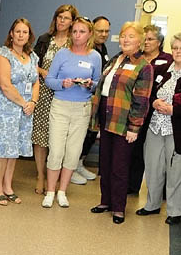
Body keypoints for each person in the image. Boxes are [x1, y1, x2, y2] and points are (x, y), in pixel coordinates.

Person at [136, 32, 181, 224]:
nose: (177, 51)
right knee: (153, 167)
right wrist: (154, 102)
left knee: (177, 171)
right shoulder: (162, 70)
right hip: (155, 127)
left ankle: (175, 211)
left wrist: (174, 110)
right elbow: (148, 93)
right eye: (175, 47)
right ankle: (152, 205)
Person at [89, 21, 153, 224]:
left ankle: (118, 207)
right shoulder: (115, 60)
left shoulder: (144, 66)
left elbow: (141, 100)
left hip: (125, 122)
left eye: (131, 36)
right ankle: (105, 201)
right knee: (105, 163)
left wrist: (135, 127)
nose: (126, 39)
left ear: (140, 42)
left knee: (119, 166)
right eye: (124, 35)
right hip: (108, 116)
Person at [42, 17, 101, 208]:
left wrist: (90, 84)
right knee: (56, 151)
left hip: (81, 109)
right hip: (60, 106)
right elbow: (49, 80)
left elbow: (98, 83)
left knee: (73, 153)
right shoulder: (62, 54)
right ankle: (50, 191)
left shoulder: (95, 57)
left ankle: (62, 192)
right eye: (74, 31)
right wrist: (62, 83)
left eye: (82, 32)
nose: (77, 35)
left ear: (89, 34)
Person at [0, 18, 39, 206]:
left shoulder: (32, 57)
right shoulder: (2, 54)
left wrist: (32, 102)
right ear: (11, 33)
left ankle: (8, 187)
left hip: (25, 111)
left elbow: (35, 82)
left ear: (29, 35)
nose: (21, 35)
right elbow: (5, 85)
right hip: (5, 110)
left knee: (14, 150)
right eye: (17, 31)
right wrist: (23, 103)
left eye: (24, 32)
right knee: (2, 151)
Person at [33, 4, 78, 195]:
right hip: (43, 92)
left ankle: (57, 179)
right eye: (59, 16)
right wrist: (44, 73)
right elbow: (32, 62)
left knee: (59, 139)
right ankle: (41, 176)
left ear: (72, 22)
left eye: (66, 18)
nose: (62, 20)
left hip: (64, 94)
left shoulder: (75, 43)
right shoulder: (45, 39)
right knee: (41, 137)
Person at [128, 24, 174, 195]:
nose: (146, 42)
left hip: (159, 112)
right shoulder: (135, 58)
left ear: (159, 42)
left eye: (150, 39)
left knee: (159, 154)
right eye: (144, 39)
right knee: (135, 149)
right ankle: (132, 186)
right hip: (137, 110)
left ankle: (160, 192)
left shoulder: (168, 59)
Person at [74, 15, 112, 186]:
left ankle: (79, 163)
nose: (103, 34)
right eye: (100, 30)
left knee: (90, 134)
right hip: (79, 99)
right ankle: (71, 167)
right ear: (91, 31)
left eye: (107, 31)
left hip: (95, 99)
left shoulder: (102, 51)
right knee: (79, 136)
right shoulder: (85, 51)